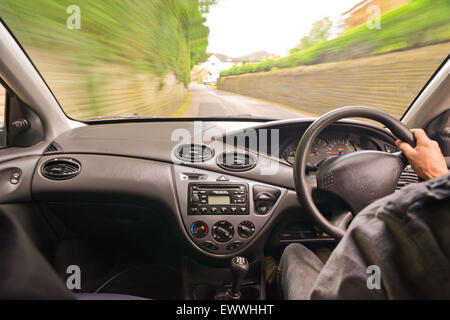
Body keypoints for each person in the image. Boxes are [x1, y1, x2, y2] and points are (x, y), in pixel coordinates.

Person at [278, 129, 450, 299]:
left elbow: (371, 244)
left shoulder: (400, 219)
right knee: (333, 258)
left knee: (294, 252)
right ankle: (325, 255)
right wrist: (437, 176)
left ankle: (276, 269)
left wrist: (437, 179)